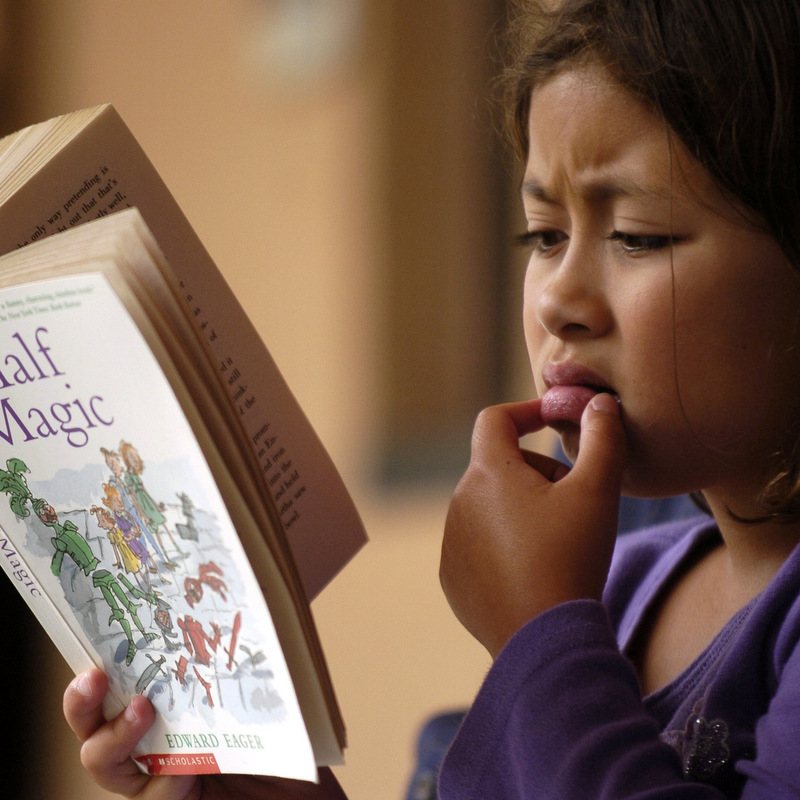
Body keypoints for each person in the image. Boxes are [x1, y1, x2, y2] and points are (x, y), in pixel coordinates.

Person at [63, 0, 800, 797]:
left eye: (637, 236)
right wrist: (258, 783)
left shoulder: (574, 607)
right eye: (544, 236)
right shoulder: (620, 581)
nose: (559, 300)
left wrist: (537, 629)